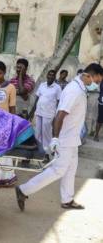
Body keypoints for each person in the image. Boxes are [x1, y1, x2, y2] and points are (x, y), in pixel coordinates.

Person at [15, 63, 103, 211]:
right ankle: (24, 190)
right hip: (65, 139)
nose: (97, 85)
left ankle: (67, 199)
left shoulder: (79, 88)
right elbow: (60, 115)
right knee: (58, 170)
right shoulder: (74, 91)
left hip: (72, 139)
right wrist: (55, 138)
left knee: (71, 169)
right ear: (88, 76)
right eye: (97, 82)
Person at [29, 70, 62, 149]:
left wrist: (57, 115)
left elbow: (59, 101)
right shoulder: (42, 85)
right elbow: (37, 98)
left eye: (52, 75)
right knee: (37, 132)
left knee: (46, 133)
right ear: (47, 76)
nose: (50, 76)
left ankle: (46, 151)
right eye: (49, 75)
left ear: (55, 77)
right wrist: (33, 111)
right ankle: (38, 149)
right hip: (39, 111)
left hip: (49, 113)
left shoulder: (57, 88)